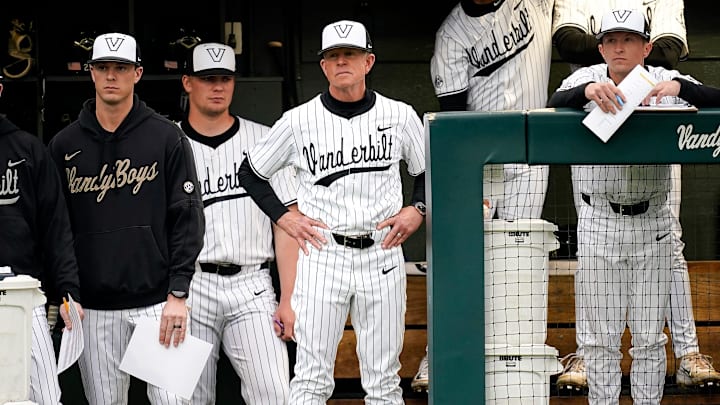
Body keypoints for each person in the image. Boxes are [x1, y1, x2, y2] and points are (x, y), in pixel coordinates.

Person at [238, 19, 426, 404]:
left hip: (382, 254)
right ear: (323, 66)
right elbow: (251, 173)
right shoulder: (297, 121)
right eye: (333, 56)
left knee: (384, 381)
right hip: (325, 255)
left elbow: (428, 170)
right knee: (310, 379)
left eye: (351, 54)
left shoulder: (400, 115)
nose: (342, 62)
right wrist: (285, 217)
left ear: (368, 61)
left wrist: (418, 209)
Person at [547, 9, 720, 404]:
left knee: (647, 339)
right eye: (611, 40)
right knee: (599, 342)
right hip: (599, 221)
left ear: (647, 46)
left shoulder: (662, 80)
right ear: (601, 47)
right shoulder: (584, 78)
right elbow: (555, 99)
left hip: (653, 223)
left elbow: (716, 98)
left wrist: (682, 88)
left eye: (628, 39)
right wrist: (587, 93)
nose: (619, 47)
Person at [47, 32, 205, 404]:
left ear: (137, 73)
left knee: (172, 401)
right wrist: (66, 290)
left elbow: (187, 218)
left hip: (157, 304)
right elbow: (56, 229)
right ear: (91, 73)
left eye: (121, 67)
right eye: (103, 67)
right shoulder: (64, 145)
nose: (111, 76)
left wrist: (178, 292)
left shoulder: (166, 137)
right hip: (95, 309)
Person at [413, 0, 555, 392]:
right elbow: (454, 116)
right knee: (464, 260)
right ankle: (437, 353)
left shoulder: (534, 3)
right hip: (482, 163)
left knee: (518, 261)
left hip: (530, 159)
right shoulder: (452, 34)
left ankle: (516, 359)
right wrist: (463, 183)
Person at [179, 42, 298, 404]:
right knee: (185, 397)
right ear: (188, 82)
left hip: (252, 285)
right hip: (190, 286)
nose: (217, 87)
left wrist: (289, 298)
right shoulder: (167, 142)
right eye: (207, 78)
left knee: (275, 393)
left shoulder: (265, 139)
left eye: (225, 78)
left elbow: (287, 224)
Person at [0, 73, 84, 404]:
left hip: (23, 294)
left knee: (47, 397)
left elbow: (56, 229)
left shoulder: (28, 148)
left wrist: (68, 293)